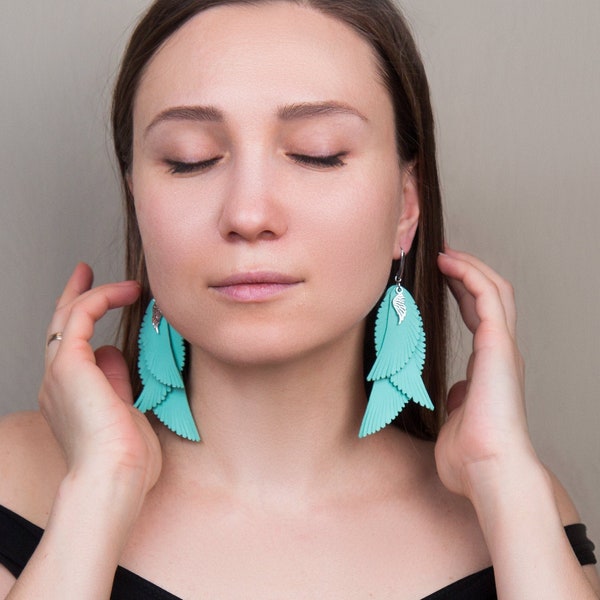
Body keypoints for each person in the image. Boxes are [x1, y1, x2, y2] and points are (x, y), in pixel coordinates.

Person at [0, 0, 597, 598]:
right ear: (138, 202)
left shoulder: (516, 506)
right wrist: (102, 486)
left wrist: (502, 475)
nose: (248, 214)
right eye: (190, 160)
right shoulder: (17, 480)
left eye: (318, 152)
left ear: (406, 208)